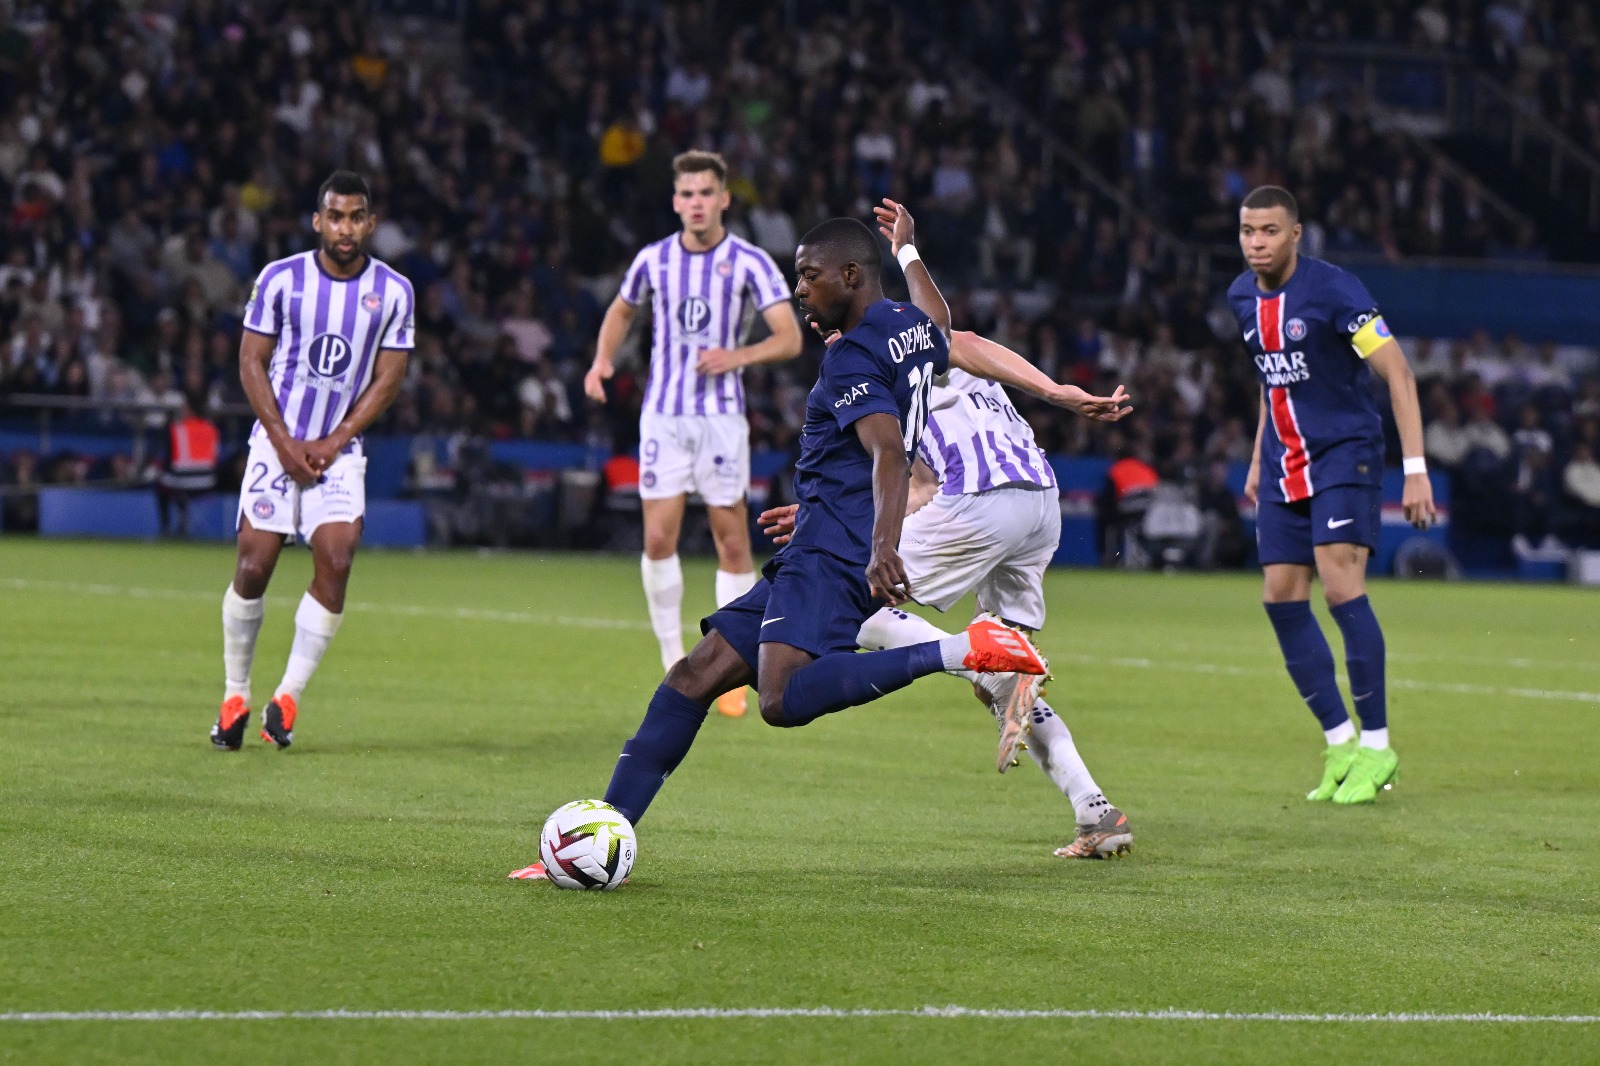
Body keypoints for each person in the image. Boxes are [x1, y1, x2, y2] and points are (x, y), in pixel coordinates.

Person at [515, 203, 1131, 880]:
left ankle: (959, 650)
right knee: (695, 677)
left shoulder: (852, 359)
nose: (798, 291)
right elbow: (943, 323)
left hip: (835, 549)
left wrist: (882, 546)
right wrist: (908, 252)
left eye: (809, 278)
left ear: (849, 276)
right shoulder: (908, 328)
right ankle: (604, 832)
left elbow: (890, 453)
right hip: (840, 530)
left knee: (780, 699)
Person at [759, 330, 1136, 858]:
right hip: (1038, 499)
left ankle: (979, 659)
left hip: (979, 500)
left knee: (854, 603)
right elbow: (918, 485)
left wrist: (832, 519)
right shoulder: (927, 344)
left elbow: (918, 479)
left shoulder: (880, 357)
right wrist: (1055, 391)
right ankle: (1095, 811)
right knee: (1005, 691)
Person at [1231, 185, 1435, 805]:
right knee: (1280, 597)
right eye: (1247, 231)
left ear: (1296, 234)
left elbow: (1397, 372)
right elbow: (1273, 383)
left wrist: (1417, 468)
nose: (1257, 243)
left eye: (1269, 231)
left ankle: (1378, 745)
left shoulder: (1335, 290)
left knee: (1341, 583)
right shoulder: (1241, 297)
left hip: (1346, 453)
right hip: (1282, 464)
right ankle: (1341, 741)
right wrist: (1256, 456)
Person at [583, 150, 804, 719]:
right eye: (686, 195)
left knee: (732, 541)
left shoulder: (749, 261)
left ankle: (727, 667)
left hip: (722, 420)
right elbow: (620, 310)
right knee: (658, 540)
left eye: (706, 193)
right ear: (675, 201)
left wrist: (738, 354)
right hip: (663, 416)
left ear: (724, 199)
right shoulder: (654, 259)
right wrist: (601, 361)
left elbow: (788, 337)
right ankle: (673, 657)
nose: (696, 204)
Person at [209, 170, 413, 752]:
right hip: (277, 444)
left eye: (356, 217)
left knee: (338, 557)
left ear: (369, 224)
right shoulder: (280, 280)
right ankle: (234, 694)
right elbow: (251, 363)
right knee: (253, 567)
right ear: (318, 221)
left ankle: (288, 695)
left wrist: (335, 438)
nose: (345, 228)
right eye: (335, 216)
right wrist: (283, 439)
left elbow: (389, 378)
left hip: (339, 452)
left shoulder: (393, 291)